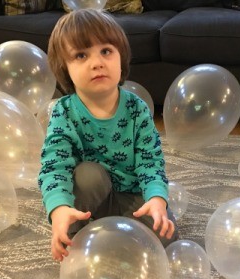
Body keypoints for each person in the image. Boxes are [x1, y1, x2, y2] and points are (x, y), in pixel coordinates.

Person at [38, 8, 178, 262]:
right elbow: (54, 167)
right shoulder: (64, 112)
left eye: (106, 51)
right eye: (81, 55)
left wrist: (156, 199)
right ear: (64, 68)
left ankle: (114, 232)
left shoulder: (137, 109)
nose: (97, 63)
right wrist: (58, 209)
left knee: (167, 237)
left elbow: (151, 162)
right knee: (86, 175)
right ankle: (82, 228)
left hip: (131, 196)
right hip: (90, 198)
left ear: (121, 58)